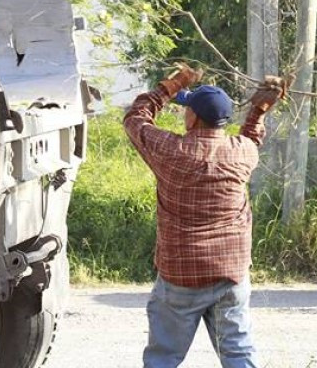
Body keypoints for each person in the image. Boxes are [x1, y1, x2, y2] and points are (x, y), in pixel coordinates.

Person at [123, 64, 288, 368]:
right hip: (230, 273)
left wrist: (167, 89)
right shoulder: (243, 153)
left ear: (193, 117)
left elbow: (135, 120)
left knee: (163, 358)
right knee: (237, 353)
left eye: (186, 110)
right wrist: (260, 109)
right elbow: (252, 137)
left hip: (181, 276)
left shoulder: (172, 151)